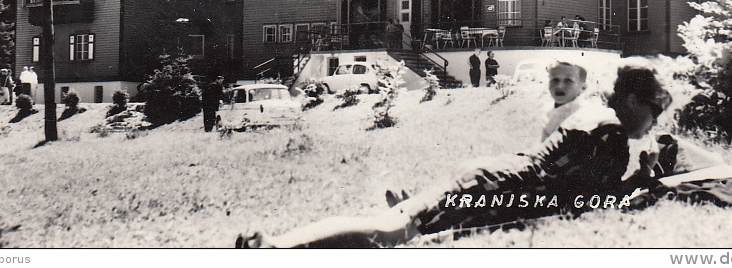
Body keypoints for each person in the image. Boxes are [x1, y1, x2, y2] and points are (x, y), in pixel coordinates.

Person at [235, 65, 672, 248]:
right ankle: (275, 248)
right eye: (654, 111)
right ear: (632, 101)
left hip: (494, 177)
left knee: (399, 222)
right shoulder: (613, 138)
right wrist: (643, 181)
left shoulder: (592, 115)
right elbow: (591, 202)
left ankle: (277, 245)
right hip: (499, 189)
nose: (654, 121)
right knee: (392, 233)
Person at [540, 62, 593, 142]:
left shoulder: (585, 112)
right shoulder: (547, 110)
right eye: (555, 80)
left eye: (568, 81)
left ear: (583, 87)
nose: (559, 86)